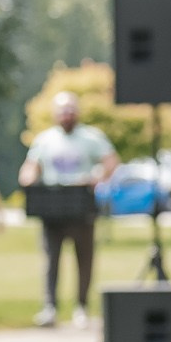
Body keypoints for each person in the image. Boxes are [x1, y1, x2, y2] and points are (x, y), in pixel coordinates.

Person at [18, 91, 116, 328]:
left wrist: (97, 177)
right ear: (55, 114)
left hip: (81, 205)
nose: (67, 115)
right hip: (53, 206)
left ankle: (81, 307)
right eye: (63, 111)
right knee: (51, 259)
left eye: (71, 110)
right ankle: (50, 307)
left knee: (84, 260)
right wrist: (28, 178)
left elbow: (111, 162)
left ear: (77, 112)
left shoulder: (92, 137)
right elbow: (30, 168)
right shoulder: (45, 139)